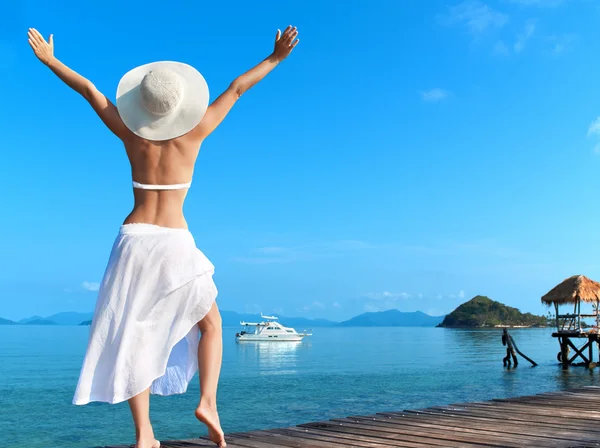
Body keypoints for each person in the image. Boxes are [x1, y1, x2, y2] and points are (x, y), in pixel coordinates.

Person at [28, 25, 299, 448]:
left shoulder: (130, 133)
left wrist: (50, 61)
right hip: (173, 241)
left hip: (133, 239)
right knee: (211, 324)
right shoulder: (196, 132)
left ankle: (145, 436)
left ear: (142, 105)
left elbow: (89, 90)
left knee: (135, 336)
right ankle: (208, 401)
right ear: (182, 105)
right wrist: (275, 57)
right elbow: (236, 89)